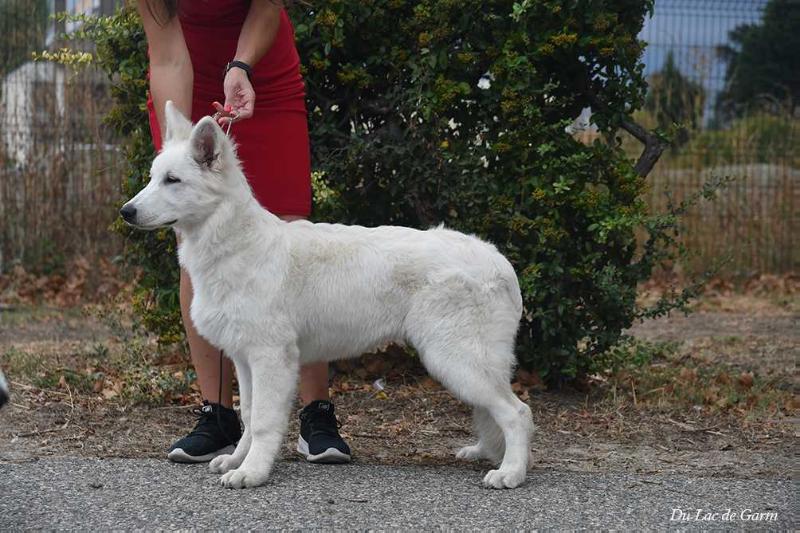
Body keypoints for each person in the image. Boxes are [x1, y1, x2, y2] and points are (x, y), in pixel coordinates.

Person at [138, 0, 351, 464]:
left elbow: (267, 8)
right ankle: (219, 415)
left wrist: (241, 65)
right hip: (186, 79)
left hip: (262, 71)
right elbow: (167, 54)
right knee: (194, 242)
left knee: (295, 238)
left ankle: (316, 414)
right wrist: (176, 153)